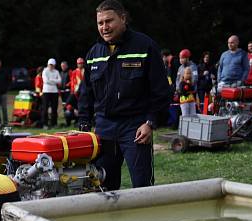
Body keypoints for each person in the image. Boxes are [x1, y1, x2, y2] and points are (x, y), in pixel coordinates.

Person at [78, 0, 171, 190]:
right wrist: (84, 125)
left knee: (142, 185)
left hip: (135, 128)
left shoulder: (145, 46)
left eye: (109, 21)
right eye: (100, 23)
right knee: (103, 185)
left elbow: (161, 90)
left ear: (123, 18)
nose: (104, 27)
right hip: (104, 129)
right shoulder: (94, 53)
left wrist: (150, 122)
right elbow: (85, 94)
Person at [41, 58, 62, 129]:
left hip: (54, 92)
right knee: (45, 108)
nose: (51, 66)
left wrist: (51, 80)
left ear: (54, 65)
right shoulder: (45, 71)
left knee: (54, 108)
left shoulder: (56, 71)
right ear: (48, 64)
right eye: (50, 64)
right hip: (46, 91)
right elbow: (45, 81)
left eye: (52, 65)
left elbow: (59, 81)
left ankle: (54, 124)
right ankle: (45, 124)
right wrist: (54, 81)